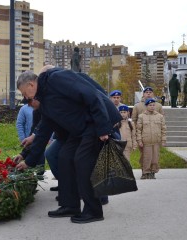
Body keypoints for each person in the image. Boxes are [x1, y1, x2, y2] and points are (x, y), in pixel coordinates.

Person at [15, 66, 122, 224]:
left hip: (94, 122)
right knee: (64, 157)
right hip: (80, 129)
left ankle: (94, 210)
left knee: (82, 161)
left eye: (24, 93)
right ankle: (70, 205)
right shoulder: (45, 101)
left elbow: (91, 94)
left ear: (31, 84)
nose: (25, 98)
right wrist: (28, 160)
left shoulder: (57, 79)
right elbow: (43, 133)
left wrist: (102, 126)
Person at [131, 86, 164, 169]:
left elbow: (162, 121)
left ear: (152, 94)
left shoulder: (158, 106)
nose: (148, 94)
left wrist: (161, 135)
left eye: (150, 92)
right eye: (146, 92)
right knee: (145, 154)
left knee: (155, 155)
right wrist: (135, 133)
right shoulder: (137, 106)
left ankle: (152, 170)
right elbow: (134, 120)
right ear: (143, 94)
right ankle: (145, 169)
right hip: (142, 135)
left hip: (155, 135)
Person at [136, 98, 166, 179]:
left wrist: (163, 140)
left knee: (155, 158)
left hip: (156, 141)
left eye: (153, 105)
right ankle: (145, 172)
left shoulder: (159, 116)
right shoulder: (141, 116)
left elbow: (163, 129)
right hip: (146, 141)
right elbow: (138, 130)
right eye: (150, 105)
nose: (152, 107)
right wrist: (139, 140)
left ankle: (153, 172)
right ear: (146, 106)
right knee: (146, 158)